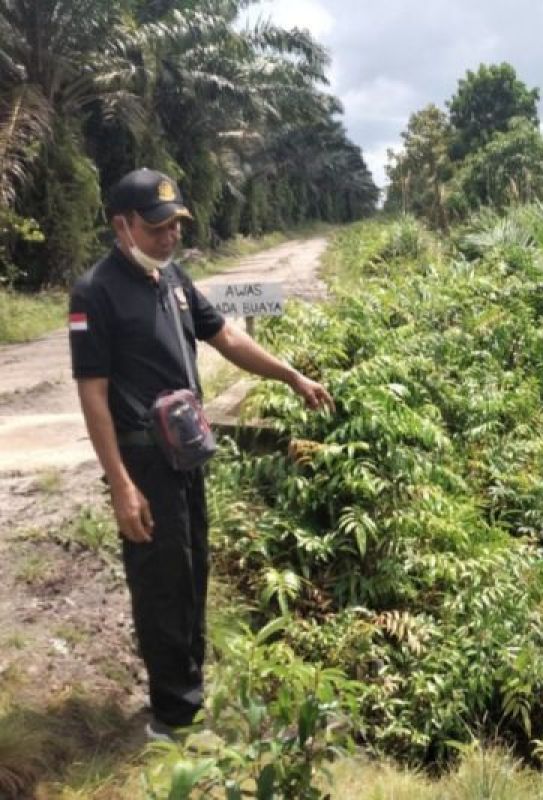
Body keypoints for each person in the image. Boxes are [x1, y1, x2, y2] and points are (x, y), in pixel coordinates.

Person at [68, 167, 332, 741]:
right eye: (158, 226)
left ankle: (188, 695)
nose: (171, 236)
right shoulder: (96, 292)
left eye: (177, 225)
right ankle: (174, 718)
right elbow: (92, 394)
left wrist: (291, 377)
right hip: (143, 461)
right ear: (123, 225)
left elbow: (228, 338)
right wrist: (121, 484)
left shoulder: (174, 279)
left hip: (186, 456)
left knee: (191, 573)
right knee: (161, 582)